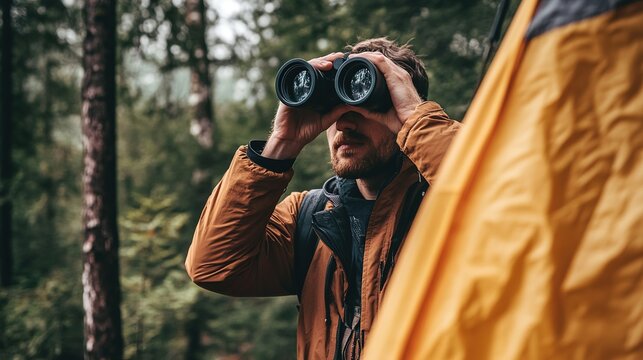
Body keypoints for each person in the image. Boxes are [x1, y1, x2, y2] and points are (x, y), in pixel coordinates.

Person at [185, 38, 462, 359]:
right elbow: (212, 266)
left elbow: (511, 210)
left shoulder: (453, 208)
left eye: (366, 104)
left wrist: (420, 122)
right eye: (333, 106)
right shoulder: (310, 217)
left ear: (401, 108)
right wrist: (280, 144)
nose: (344, 123)